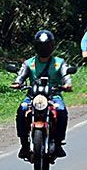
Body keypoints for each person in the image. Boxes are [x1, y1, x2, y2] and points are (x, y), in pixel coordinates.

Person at [11, 30, 72, 160]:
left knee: (61, 110)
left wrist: (67, 85)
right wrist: (17, 83)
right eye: (41, 46)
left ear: (52, 46)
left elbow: (66, 76)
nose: (44, 49)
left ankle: (58, 142)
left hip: (53, 96)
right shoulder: (29, 63)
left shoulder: (59, 63)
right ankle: (24, 144)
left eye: (47, 46)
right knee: (22, 110)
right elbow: (20, 76)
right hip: (32, 96)